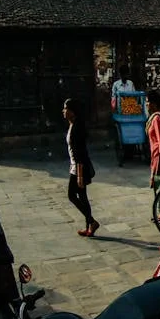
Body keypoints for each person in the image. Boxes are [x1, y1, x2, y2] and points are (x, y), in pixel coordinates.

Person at [63, 98, 98, 237]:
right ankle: (89, 225)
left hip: (78, 168)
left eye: (65, 108)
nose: (63, 111)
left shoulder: (77, 127)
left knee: (72, 195)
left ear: (72, 111)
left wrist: (80, 175)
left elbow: (80, 153)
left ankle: (91, 221)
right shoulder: (73, 124)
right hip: (75, 166)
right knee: (82, 196)